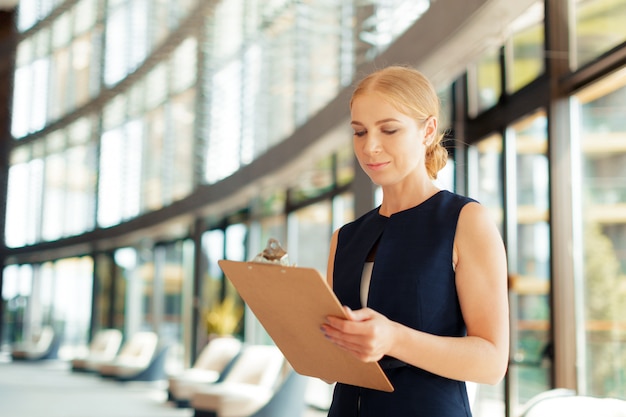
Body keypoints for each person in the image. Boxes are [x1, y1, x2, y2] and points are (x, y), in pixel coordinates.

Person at [320, 65, 509, 417]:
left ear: (428, 130)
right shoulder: (344, 238)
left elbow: (492, 363)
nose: (370, 146)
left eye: (389, 129)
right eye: (359, 132)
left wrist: (393, 338)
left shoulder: (466, 221)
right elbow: (331, 369)